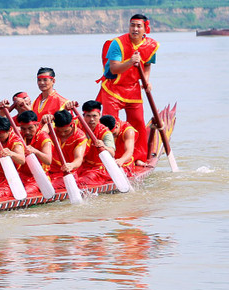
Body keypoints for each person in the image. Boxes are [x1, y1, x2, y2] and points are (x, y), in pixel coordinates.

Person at [97, 14, 159, 164]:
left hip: (133, 88)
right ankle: (110, 157)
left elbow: (147, 65)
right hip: (113, 88)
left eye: (139, 26)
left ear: (145, 28)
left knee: (138, 122)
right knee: (110, 124)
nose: (135, 29)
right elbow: (114, 68)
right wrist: (131, 62)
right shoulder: (117, 43)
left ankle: (138, 158)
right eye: (132, 25)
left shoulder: (151, 45)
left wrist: (146, 81)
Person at [0, 115, 26, 200]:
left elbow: (22, 160)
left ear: (9, 130)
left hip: (8, 178)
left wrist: (11, 153)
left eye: (0, 137)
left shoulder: (16, 142)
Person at [15, 110, 53, 195]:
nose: (27, 132)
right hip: (21, 176)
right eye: (23, 129)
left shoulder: (43, 137)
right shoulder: (18, 134)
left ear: (37, 125)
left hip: (39, 178)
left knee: (25, 192)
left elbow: (48, 160)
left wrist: (35, 151)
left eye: (30, 128)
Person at [49, 110, 88, 188]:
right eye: (59, 131)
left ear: (72, 124)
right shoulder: (51, 130)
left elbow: (78, 159)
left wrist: (72, 165)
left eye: (66, 131)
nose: (62, 134)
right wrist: (44, 121)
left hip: (67, 173)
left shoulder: (80, 137)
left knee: (47, 186)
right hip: (48, 171)